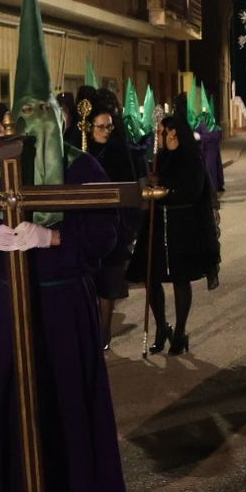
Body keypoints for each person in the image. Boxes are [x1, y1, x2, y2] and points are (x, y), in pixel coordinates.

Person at [0, 0, 124, 492]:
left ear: (56, 116)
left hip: (62, 303)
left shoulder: (83, 167)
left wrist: (52, 236)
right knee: (16, 402)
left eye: (41, 112)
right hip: (12, 304)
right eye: (22, 112)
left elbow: (105, 231)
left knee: (68, 400)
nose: (31, 123)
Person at [126, 112, 220, 357]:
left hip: (182, 226)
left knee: (180, 278)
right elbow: (152, 182)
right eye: (164, 134)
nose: (167, 138)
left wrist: (166, 191)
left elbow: (193, 191)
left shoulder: (192, 159)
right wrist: (151, 185)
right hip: (157, 225)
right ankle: (160, 328)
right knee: (151, 277)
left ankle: (179, 332)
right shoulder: (161, 158)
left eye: (171, 134)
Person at [85, 95, 143, 349]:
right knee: (89, 283)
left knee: (107, 285)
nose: (106, 131)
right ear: (90, 127)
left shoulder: (119, 152)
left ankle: (103, 333)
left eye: (109, 126)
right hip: (86, 226)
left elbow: (128, 187)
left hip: (113, 227)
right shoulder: (83, 152)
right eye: (101, 126)